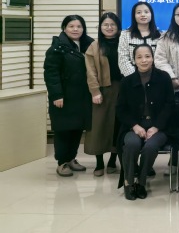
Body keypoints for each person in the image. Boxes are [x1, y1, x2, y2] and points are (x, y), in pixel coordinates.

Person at [116, 45, 175, 201]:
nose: (144, 60)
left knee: (150, 147)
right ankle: (129, 182)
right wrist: (135, 126)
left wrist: (157, 126)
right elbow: (121, 109)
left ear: (153, 58)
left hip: (159, 127)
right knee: (131, 144)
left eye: (147, 56)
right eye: (139, 57)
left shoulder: (163, 78)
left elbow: (170, 105)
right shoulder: (127, 81)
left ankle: (141, 183)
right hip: (134, 126)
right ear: (134, 60)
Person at [44, 15, 94, 177]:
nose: (75, 29)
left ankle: (71, 158)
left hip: (82, 97)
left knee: (77, 129)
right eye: (71, 26)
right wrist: (56, 95)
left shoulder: (88, 45)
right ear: (64, 28)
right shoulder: (57, 48)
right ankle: (62, 162)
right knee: (63, 130)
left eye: (79, 26)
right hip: (64, 97)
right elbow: (51, 74)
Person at [85, 12, 123, 176]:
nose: (109, 27)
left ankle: (113, 160)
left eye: (113, 24)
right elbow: (90, 71)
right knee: (99, 126)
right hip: (102, 90)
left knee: (118, 125)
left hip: (122, 89)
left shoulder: (124, 42)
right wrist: (95, 91)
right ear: (100, 27)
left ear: (118, 27)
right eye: (105, 24)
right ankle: (99, 163)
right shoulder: (94, 46)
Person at [117, 1, 161, 77]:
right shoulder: (125, 35)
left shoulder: (160, 35)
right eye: (139, 12)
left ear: (151, 14)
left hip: (156, 77)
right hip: (132, 78)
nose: (143, 15)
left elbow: (161, 59)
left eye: (146, 12)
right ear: (134, 16)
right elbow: (123, 59)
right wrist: (136, 78)